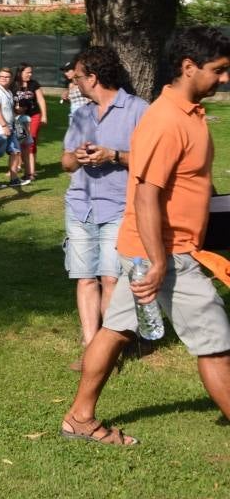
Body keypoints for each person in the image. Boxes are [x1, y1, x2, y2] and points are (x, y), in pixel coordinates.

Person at [61, 26, 230, 446]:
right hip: (168, 254)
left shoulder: (187, 112)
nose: (225, 78)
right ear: (189, 68)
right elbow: (146, 195)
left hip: (158, 250)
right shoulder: (166, 119)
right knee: (217, 346)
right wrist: (157, 262)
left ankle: (80, 419)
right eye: (219, 70)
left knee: (116, 330)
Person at [61, 46, 149, 372]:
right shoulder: (81, 114)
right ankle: (90, 348)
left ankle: (109, 352)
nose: (76, 82)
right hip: (80, 206)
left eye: (79, 77)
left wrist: (113, 155)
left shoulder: (139, 110)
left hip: (120, 208)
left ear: (93, 77)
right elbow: (66, 162)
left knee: (111, 279)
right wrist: (79, 157)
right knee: (85, 279)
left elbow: (153, 160)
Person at [0, 67, 27, 189]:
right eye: (1, 76)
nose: (4, 79)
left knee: (15, 152)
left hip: (10, 127)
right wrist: (4, 126)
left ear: (11, 79)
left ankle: (14, 179)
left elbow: (8, 110)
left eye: (6, 77)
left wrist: (16, 113)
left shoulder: (7, 92)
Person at [12, 63, 47, 181]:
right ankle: (19, 166)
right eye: (27, 72)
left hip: (34, 116)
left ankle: (31, 171)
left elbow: (41, 99)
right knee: (21, 141)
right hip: (19, 118)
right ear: (20, 72)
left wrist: (44, 116)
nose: (30, 74)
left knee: (31, 140)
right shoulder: (14, 85)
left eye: (31, 72)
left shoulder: (34, 84)